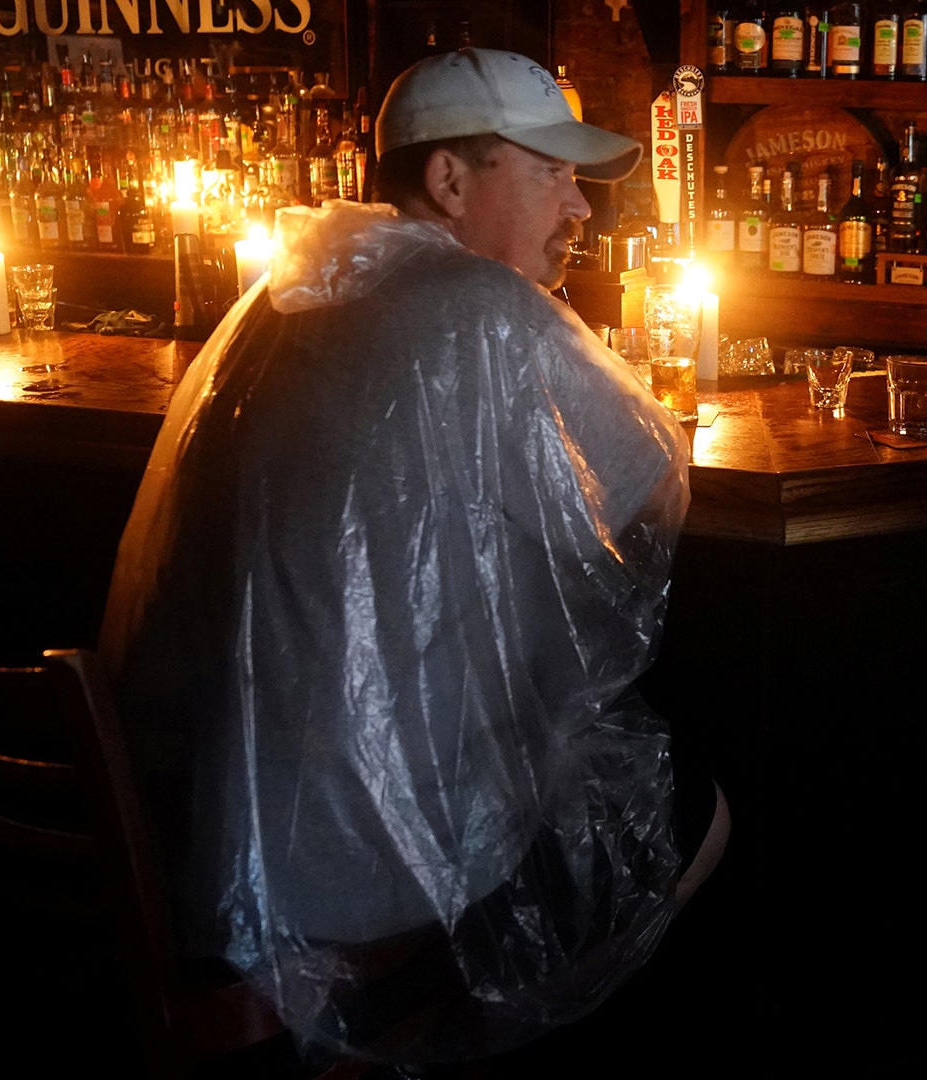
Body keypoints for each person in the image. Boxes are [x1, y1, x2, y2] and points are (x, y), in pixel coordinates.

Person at [100, 49, 727, 1064]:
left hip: (200, 870)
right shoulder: (483, 313)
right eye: (551, 173)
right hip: (347, 888)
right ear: (449, 181)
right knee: (686, 807)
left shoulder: (281, 298)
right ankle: (432, 1045)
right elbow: (655, 482)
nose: (580, 208)